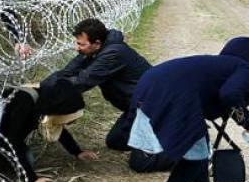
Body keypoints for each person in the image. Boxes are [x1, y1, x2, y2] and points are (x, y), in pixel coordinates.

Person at [128, 37, 249, 182]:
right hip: (170, 95)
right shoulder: (246, 68)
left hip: (150, 85)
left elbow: (214, 104)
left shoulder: (220, 66)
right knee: (195, 155)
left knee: (199, 143)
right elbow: (229, 94)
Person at [49, 19, 168, 166]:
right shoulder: (98, 51)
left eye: (81, 44)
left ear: (97, 43)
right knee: (116, 141)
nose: (77, 48)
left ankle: (180, 152)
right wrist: (45, 85)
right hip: (136, 107)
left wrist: (48, 89)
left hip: (152, 106)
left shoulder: (112, 54)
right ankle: (159, 133)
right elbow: (68, 72)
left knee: (140, 162)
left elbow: (82, 81)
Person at [0, 78, 98, 182]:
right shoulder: (25, 101)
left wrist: (77, 152)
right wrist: (32, 179)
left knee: (27, 159)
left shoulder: (47, 100)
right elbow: (13, 139)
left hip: (9, 134)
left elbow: (57, 126)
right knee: (28, 161)